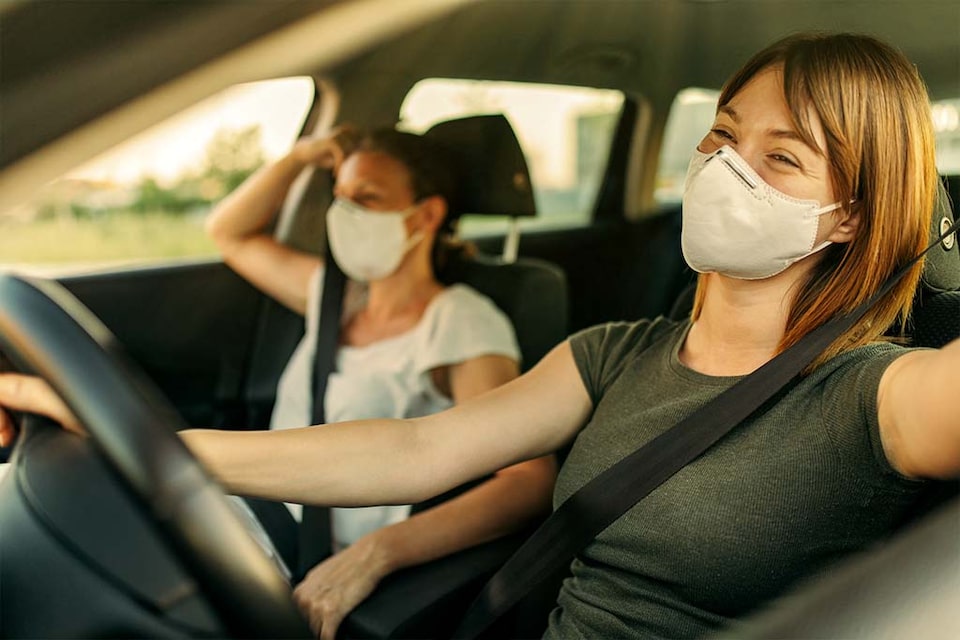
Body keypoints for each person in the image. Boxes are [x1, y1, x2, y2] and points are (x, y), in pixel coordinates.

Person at [2, 32, 959, 640]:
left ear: (845, 219)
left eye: (781, 159)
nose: (725, 170)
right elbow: (414, 449)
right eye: (722, 136)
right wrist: (145, 447)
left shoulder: (880, 397)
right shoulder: (613, 353)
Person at [204, 125, 559, 635]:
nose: (346, 215)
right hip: (250, 520)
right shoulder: (331, 297)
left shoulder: (458, 320)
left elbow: (527, 479)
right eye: (341, 198)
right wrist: (299, 157)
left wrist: (379, 554)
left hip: (308, 557)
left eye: (367, 199)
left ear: (427, 215)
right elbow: (228, 234)